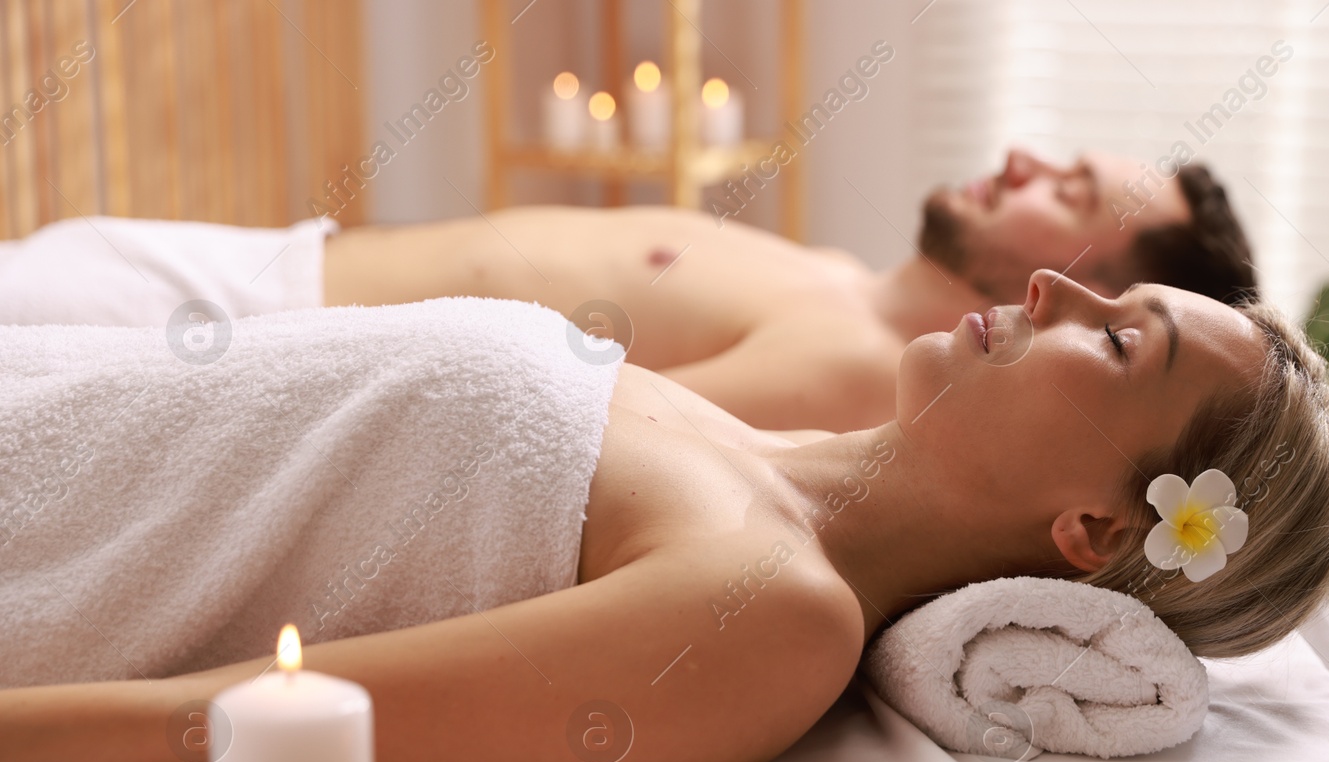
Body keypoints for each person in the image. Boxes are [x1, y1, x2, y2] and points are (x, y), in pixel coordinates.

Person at [0, 271, 1329, 762]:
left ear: (1100, 528)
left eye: (1116, 339)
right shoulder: (752, 446)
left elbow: (208, 732)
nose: (1059, 281)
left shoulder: (771, 615)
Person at [0, 150, 1257, 432]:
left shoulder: (849, 363)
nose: (1029, 160)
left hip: (229, 344)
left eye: (1074, 190)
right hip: (239, 267)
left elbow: (566, 431)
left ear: (1081, 280)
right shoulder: (832, 278)